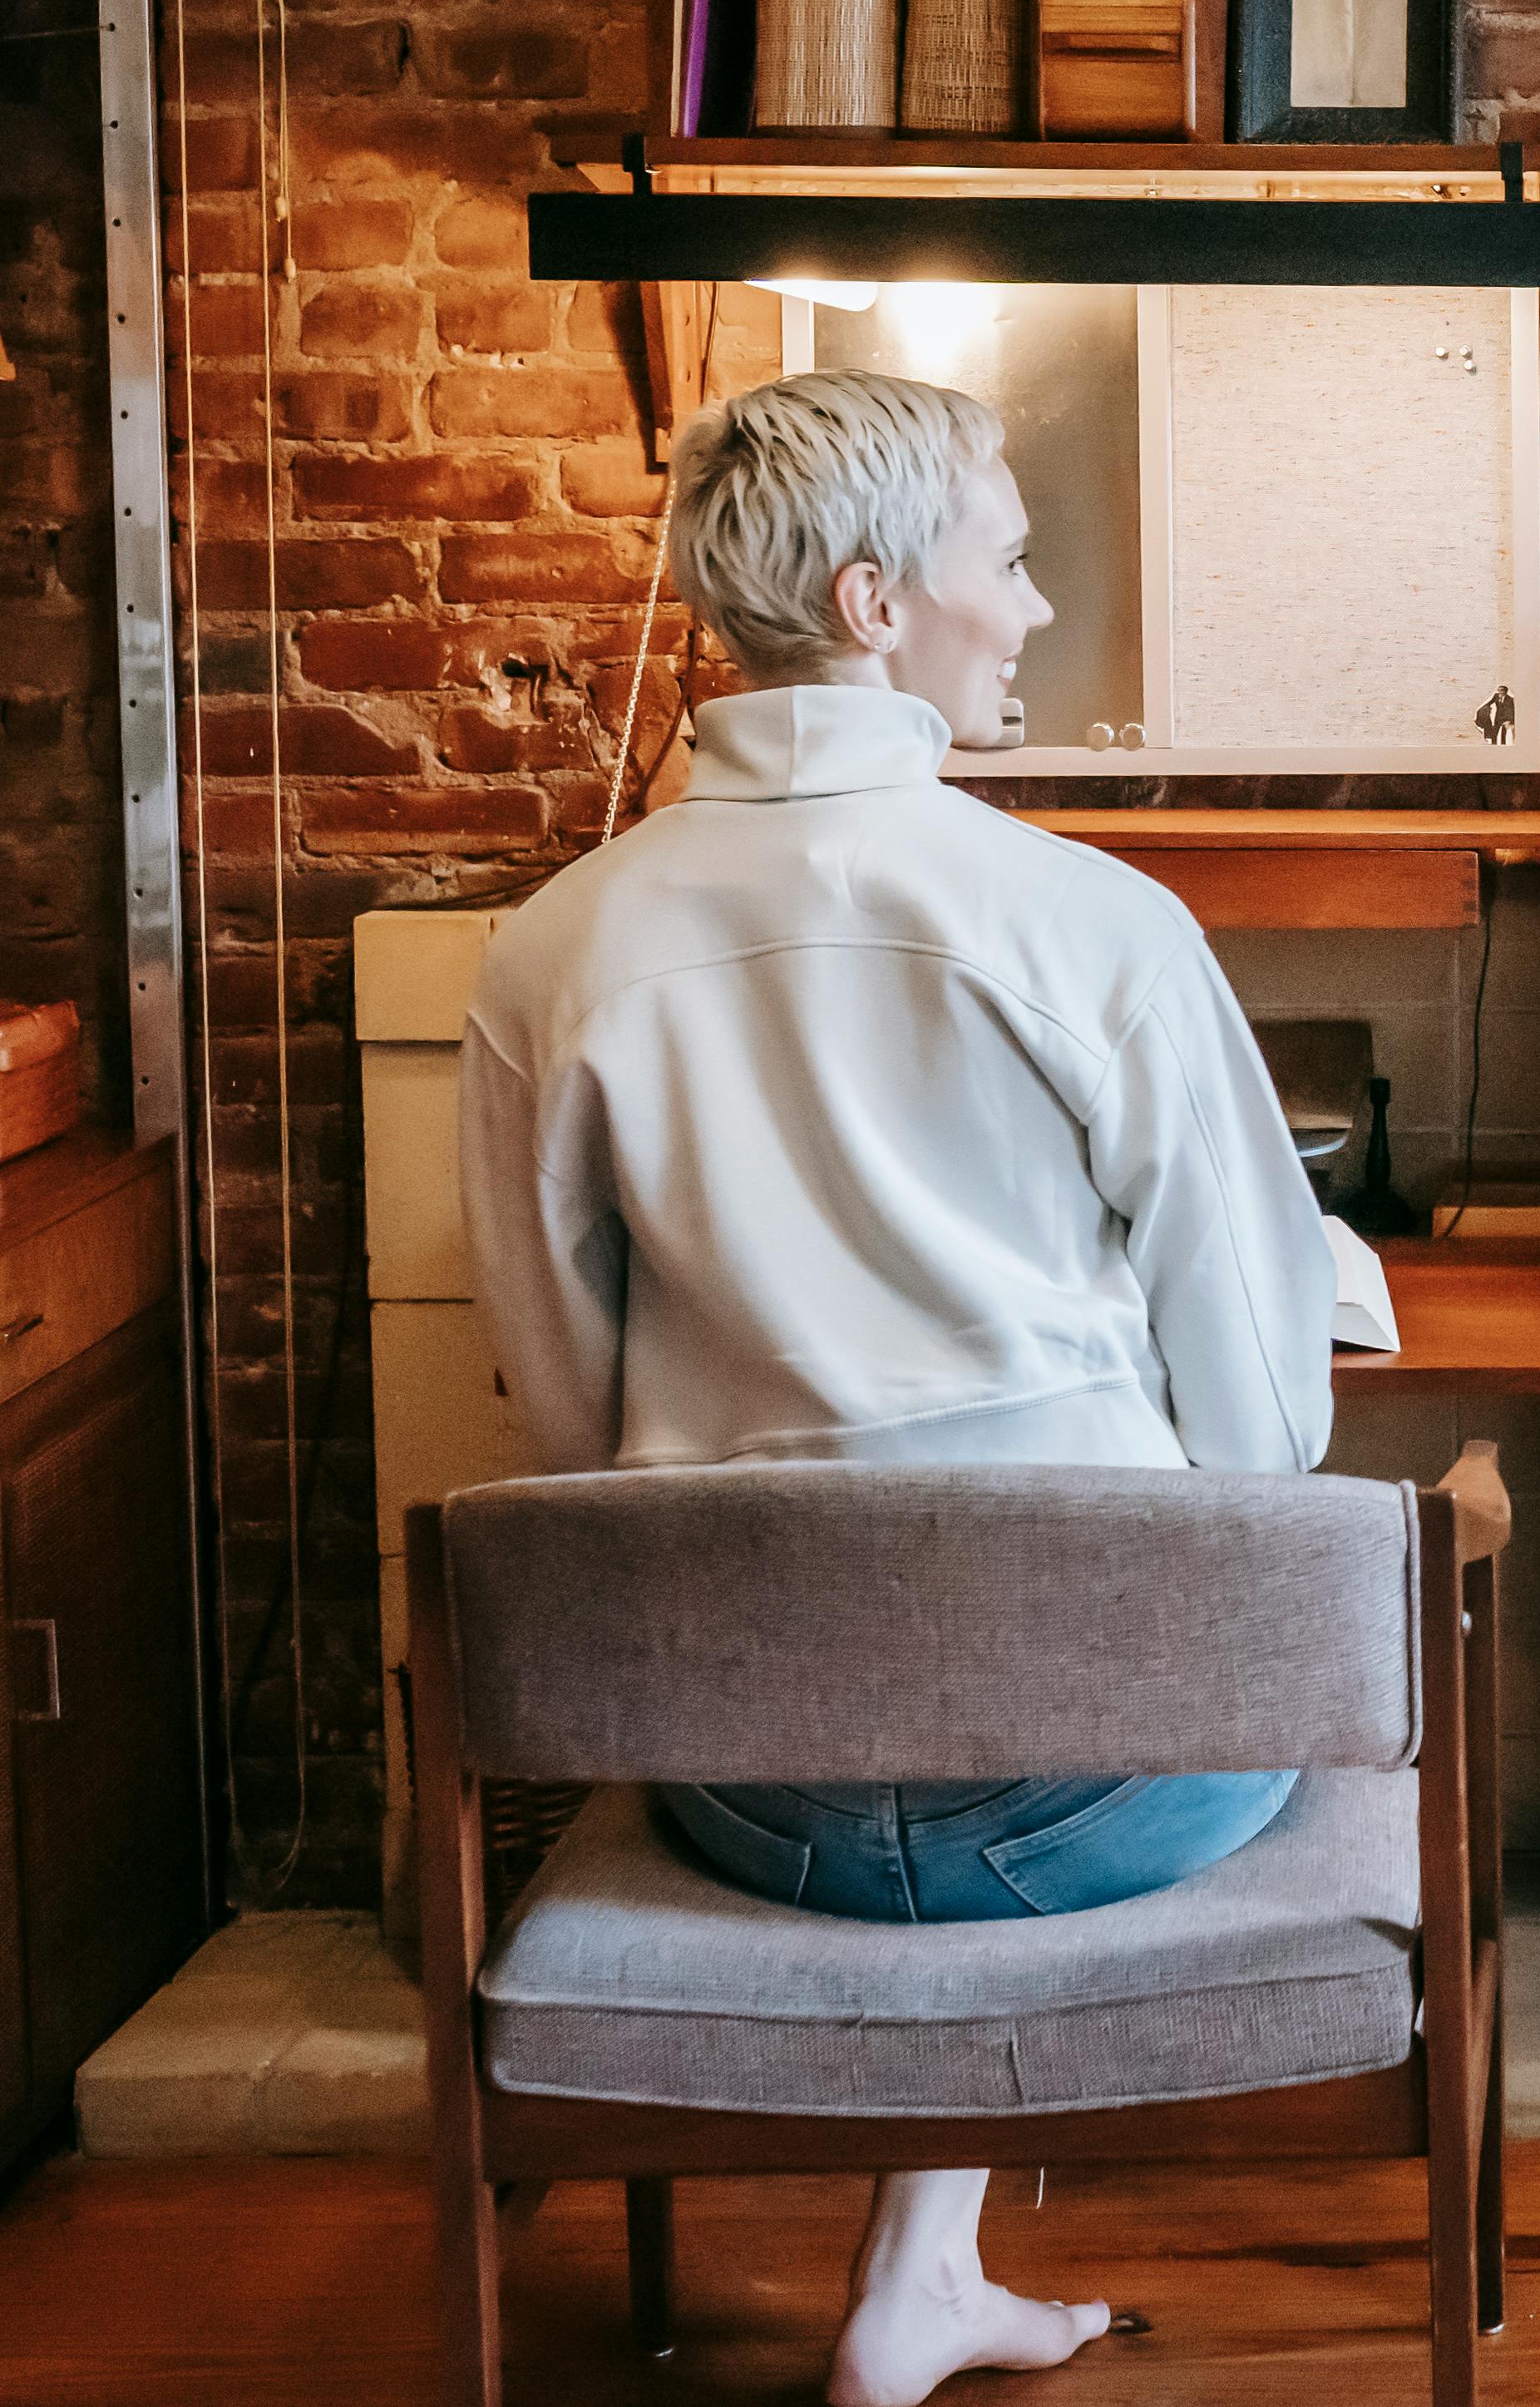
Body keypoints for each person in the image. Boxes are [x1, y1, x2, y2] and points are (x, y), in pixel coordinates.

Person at [463, 369, 1337, 2407]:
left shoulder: (548, 957)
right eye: (1006, 563)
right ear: (874, 601)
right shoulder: (1092, 924)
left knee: (890, 1654)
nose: (1029, 612)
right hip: (1108, 1798)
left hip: (743, 1796)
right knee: (1236, 1642)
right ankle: (921, 2278)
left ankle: (914, 2283)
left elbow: (565, 1441)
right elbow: (1263, 1432)